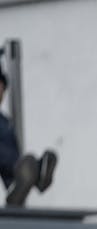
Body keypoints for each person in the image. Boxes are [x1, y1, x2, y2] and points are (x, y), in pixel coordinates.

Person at [0, 69, 57, 207]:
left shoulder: (6, 123)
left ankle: (35, 173)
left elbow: (12, 154)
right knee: (21, 164)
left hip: (11, 171)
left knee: (26, 164)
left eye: (2, 89)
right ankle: (27, 178)